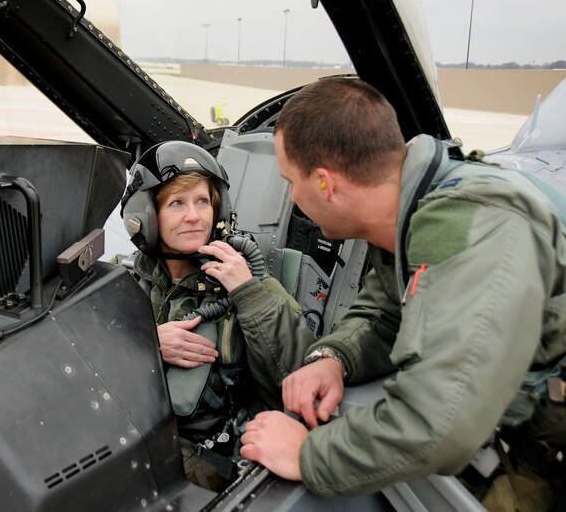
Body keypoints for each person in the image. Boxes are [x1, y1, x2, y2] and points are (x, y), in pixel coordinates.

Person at [239, 77, 566, 500]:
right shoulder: (413, 210)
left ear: (325, 183)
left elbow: (442, 424)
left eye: (290, 180)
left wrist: (308, 454)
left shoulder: (469, 228)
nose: (292, 196)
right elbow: (386, 310)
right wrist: (333, 357)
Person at [119, 140, 315, 490]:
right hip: (135, 435)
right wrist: (147, 343)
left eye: (203, 202)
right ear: (146, 216)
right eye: (177, 203)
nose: (194, 216)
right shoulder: (128, 283)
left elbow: (300, 379)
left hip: (213, 462)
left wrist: (248, 293)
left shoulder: (250, 285)